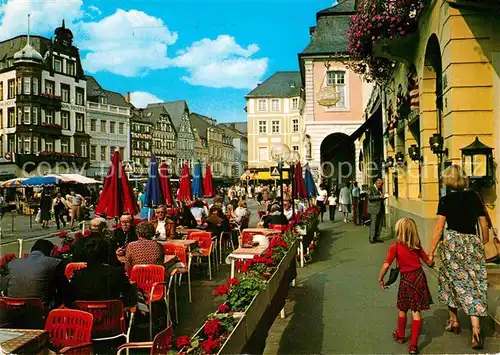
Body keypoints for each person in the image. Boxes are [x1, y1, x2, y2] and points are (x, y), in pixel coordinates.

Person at [427, 165, 489, 350]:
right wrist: (483, 240)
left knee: (450, 281)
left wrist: (431, 251)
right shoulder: (475, 197)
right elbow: (483, 223)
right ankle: (476, 329)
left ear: (448, 181)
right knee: (473, 283)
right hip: (472, 243)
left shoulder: (445, 200)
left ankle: (454, 321)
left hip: (452, 244)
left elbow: (439, 229)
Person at [377, 218, 434, 355]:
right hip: (419, 278)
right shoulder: (417, 246)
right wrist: (432, 259)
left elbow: (387, 264)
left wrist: (380, 278)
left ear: (398, 231)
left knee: (402, 308)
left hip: (406, 280)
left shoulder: (395, 247)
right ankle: (414, 345)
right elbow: (428, 262)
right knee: (416, 311)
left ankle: (401, 336)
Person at [69, 238, 136, 307]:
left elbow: (69, 301)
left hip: (85, 316)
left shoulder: (77, 275)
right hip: (112, 315)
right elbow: (130, 300)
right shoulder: (117, 273)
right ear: (106, 254)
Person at [6, 239, 68, 308]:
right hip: (40, 312)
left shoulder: (12, 264)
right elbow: (65, 290)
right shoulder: (54, 263)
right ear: (51, 252)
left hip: (12, 310)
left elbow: (5, 288)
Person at [368, 178, 386, 243]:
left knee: (380, 223)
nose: (381, 186)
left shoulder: (380, 189)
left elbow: (380, 197)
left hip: (380, 208)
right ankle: (372, 238)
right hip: (373, 209)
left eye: (381, 184)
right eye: (380, 184)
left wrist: (383, 198)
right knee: (373, 224)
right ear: (377, 183)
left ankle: (378, 237)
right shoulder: (371, 188)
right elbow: (370, 197)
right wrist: (379, 197)